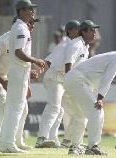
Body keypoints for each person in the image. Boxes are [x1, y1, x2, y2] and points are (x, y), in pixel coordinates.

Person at [63, 39, 116, 155]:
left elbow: (96, 79)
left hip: (70, 80)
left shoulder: (111, 56)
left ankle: (75, 146)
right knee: (97, 111)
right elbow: (107, 79)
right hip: (78, 80)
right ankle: (93, 146)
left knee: (81, 115)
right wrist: (100, 98)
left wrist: (96, 95)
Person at [36, 20, 99, 148]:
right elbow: (63, 63)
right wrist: (37, 72)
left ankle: (67, 141)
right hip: (56, 78)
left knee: (75, 112)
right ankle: (41, 139)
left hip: (66, 80)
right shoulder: (71, 44)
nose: (95, 33)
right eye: (92, 30)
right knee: (54, 106)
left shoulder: (84, 47)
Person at [0, 17, 38, 151]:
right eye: (30, 23)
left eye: (33, 23)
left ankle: (18, 141)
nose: (32, 26)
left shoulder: (24, 40)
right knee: (2, 100)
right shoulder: (3, 40)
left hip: (6, 76)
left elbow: (20, 64)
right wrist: (2, 82)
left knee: (23, 108)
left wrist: (28, 81)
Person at [0, 0, 45, 153]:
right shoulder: (20, 28)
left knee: (17, 108)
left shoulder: (20, 27)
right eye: (30, 9)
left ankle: (10, 142)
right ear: (22, 10)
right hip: (18, 72)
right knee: (15, 109)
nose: (32, 12)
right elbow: (19, 52)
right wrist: (36, 60)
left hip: (19, 71)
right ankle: (8, 143)